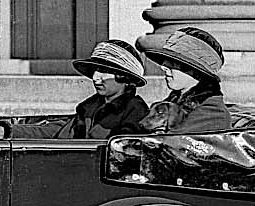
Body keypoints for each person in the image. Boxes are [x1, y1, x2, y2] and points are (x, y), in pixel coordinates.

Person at [11, 39, 151, 139]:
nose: (96, 78)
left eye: (103, 71)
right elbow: (61, 131)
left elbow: (124, 148)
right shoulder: (89, 107)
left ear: (124, 77)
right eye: (95, 70)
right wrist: (9, 131)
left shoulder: (135, 110)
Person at [136, 26, 233, 133]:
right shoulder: (173, 103)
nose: (163, 67)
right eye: (165, 61)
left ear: (195, 71)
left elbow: (171, 140)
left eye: (173, 62)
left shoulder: (212, 113)